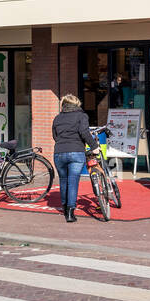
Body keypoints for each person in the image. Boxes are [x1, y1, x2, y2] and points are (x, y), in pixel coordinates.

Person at [52, 93, 97, 223]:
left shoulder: (57, 118)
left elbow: (55, 136)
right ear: (77, 104)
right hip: (76, 152)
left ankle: (65, 208)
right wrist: (93, 146)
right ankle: (71, 212)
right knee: (73, 182)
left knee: (63, 181)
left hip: (59, 152)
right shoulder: (81, 116)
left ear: (63, 105)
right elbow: (84, 132)